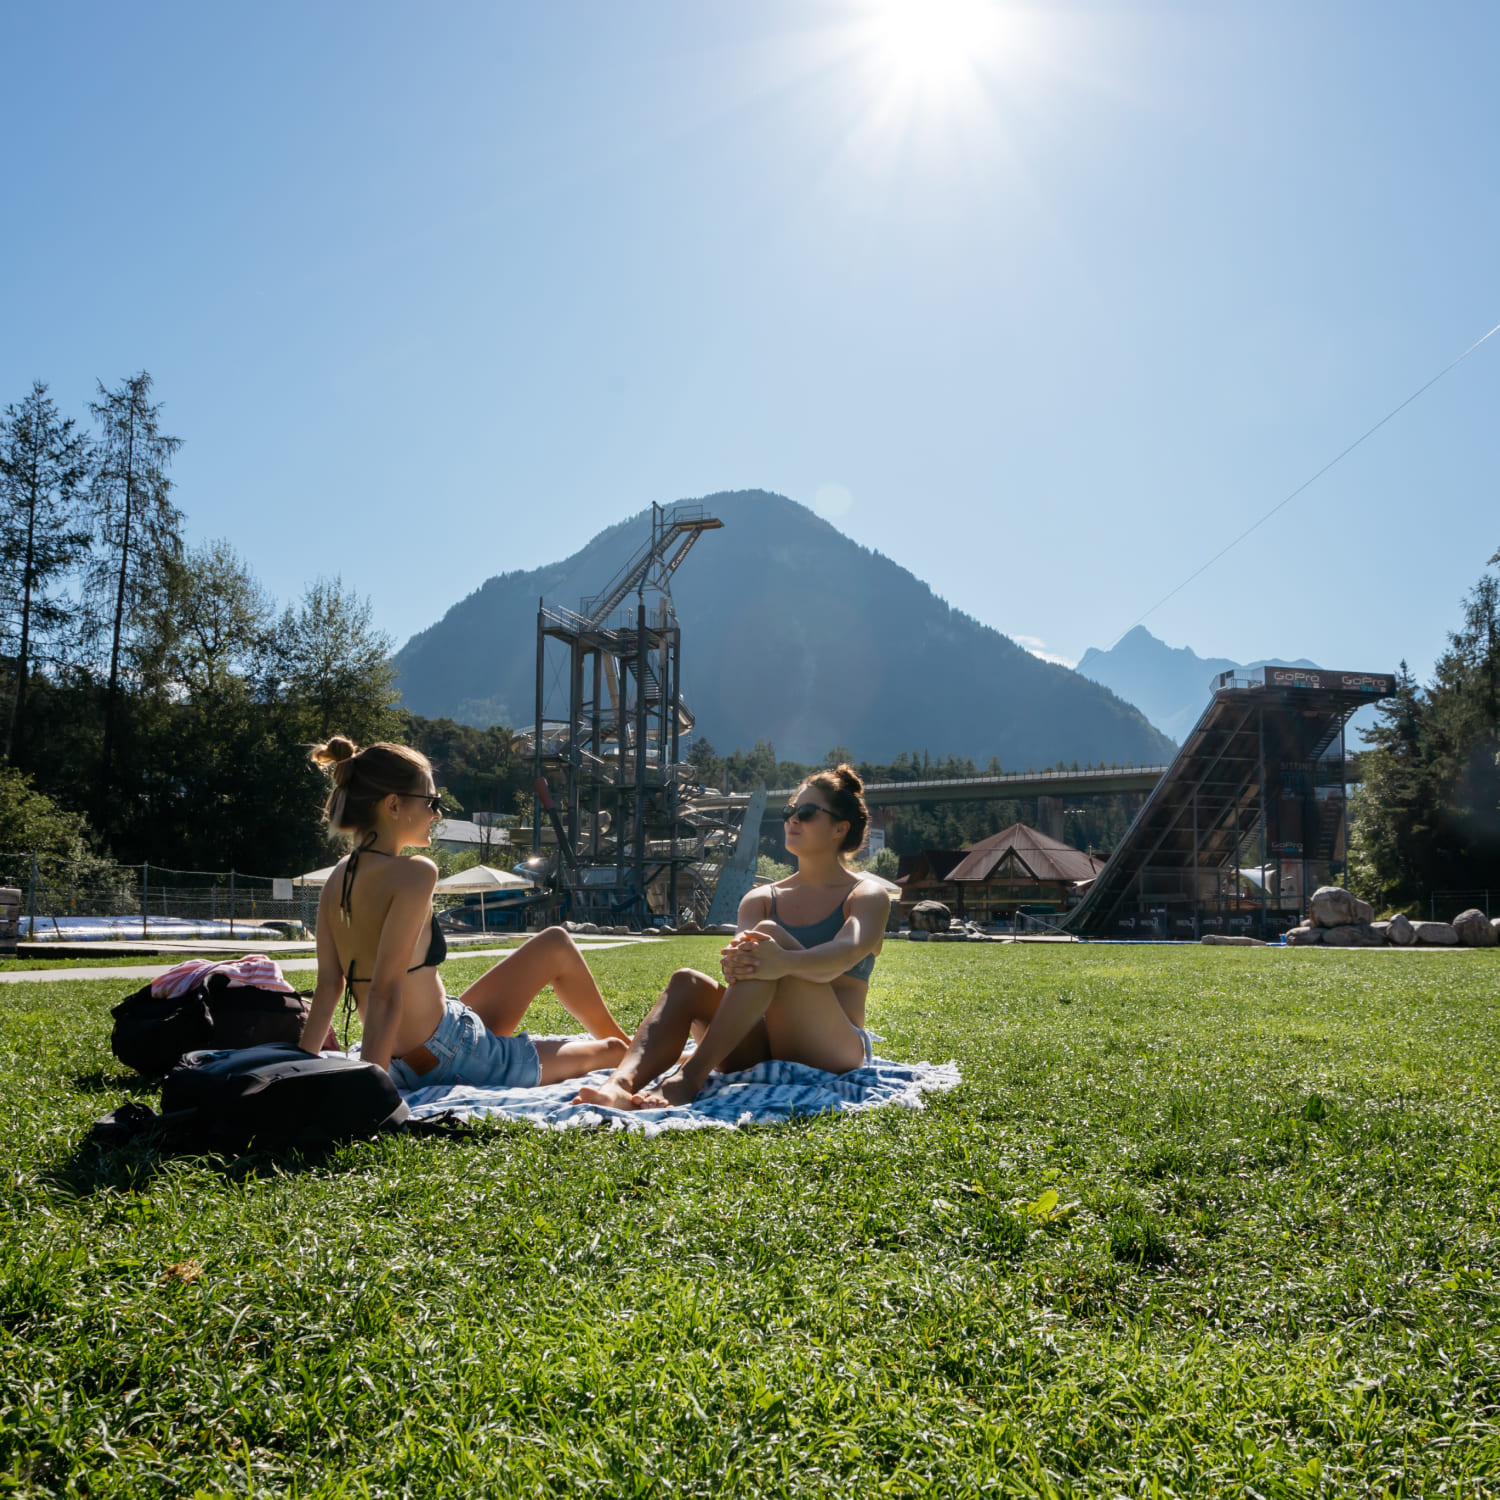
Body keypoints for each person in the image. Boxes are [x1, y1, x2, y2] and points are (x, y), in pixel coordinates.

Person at [301, 736, 630, 1091]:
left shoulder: (339, 876)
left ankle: (634, 1050)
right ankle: (634, 1054)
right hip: (451, 1053)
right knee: (611, 1051)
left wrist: (298, 1069)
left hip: (422, 1047)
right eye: (431, 802)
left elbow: (329, 986)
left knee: (555, 943)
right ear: (393, 805)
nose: (437, 814)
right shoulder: (415, 872)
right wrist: (371, 1095)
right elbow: (385, 990)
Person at [576, 764, 887, 1110]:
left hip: (833, 1050)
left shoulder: (866, 895)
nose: (793, 820)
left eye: (807, 813)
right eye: (789, 812)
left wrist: (783, 961)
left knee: (765, 935)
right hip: (759, 1044)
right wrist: (745, 963)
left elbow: (845, 952)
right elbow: (744, 968)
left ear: (840, 829)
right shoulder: (761, 898)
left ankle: (687, 1078)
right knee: (687, 982)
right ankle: (618, 1085)